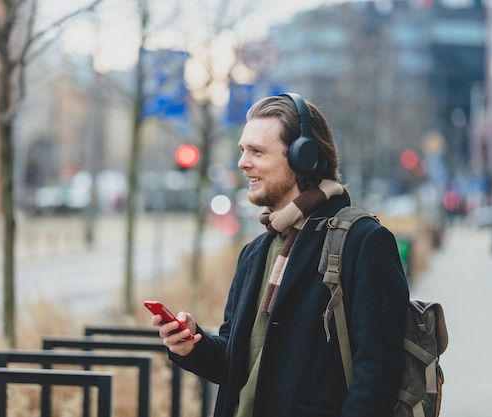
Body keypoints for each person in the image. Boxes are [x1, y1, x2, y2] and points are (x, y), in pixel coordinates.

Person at [151, 93, 409, 416]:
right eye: (243, 150)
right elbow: (238, 363)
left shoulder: (363, 242)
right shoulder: (256, 252)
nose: (243, 163)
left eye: (257, 152)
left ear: (304, 158)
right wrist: (194, 344)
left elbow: (378, 376)